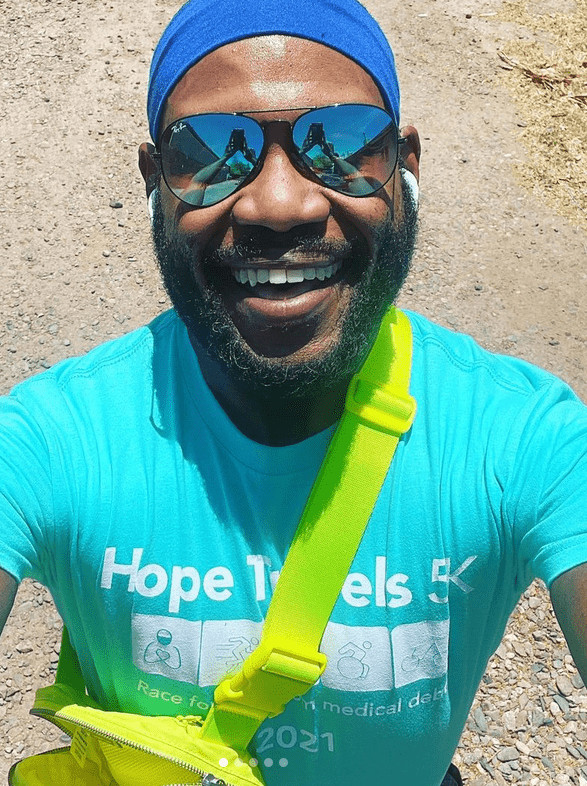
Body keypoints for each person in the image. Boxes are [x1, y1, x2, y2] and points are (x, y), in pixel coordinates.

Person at [0, 0, 586, 783]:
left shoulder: (526, 441)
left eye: (341, 143)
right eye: (210, 150)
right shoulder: (48, 441)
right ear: (155, 182)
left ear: (403, 166)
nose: (280, 204)